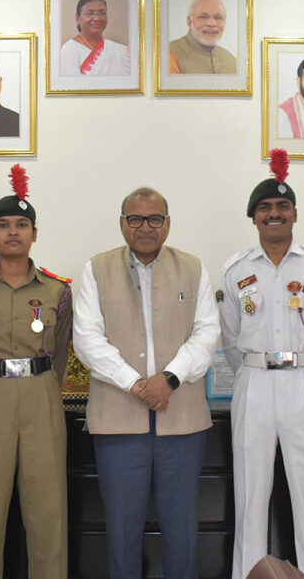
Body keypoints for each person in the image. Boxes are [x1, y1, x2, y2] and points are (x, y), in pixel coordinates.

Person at [73, 187, 220, 579]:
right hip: (118, 421)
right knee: (122, 531)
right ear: (122, 223)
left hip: (182, 420)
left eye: (155, 219)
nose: (145, 227)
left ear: (167, 224)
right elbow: (87, 338)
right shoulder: (96, 269)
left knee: (182, 529)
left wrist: (169, 379)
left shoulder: (193, 268)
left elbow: (207, 333)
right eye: (135, 219)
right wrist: (137, 384)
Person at [219, 150, 304, 579]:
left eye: (283, 206)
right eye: (265, 208)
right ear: (253, 218)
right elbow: (230, 338)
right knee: (250, 496)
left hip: (303, 380)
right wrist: (255, 370)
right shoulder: (235, 269)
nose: (274, 214)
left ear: (295, 214)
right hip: (253, 380)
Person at [0, 165, 73, 579]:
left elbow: (61, 351)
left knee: (48, 512)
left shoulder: (57, 289)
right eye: (3, 225)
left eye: (22, 225)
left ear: (34, 233)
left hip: (41, 396)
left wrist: (45, 385)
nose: (13, 232)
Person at [60, 0, 130, 76]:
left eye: (102, 13)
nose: (97, 18)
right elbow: (72, 83)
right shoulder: (70, 49)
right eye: (89, 13)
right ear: (77, 18)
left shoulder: (121, 51)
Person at [168, 0, 237, 74]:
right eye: (203, 17)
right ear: (189, 22)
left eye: (218, 17)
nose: (211, 23)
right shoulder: (169, 53)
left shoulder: (233, 62)